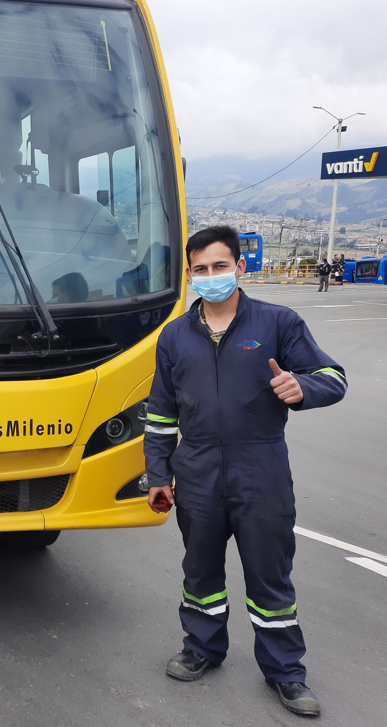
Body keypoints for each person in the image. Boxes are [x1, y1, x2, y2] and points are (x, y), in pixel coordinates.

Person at [144, 225, 346, 717]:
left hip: (261, 468)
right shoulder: (174, 335)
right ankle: (201, 648)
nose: (210, 276)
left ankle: (285, 671)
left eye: (219, 265)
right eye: (200, 269)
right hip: (196, 471)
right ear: (189, 274)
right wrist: (158, 477)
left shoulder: (278, 322)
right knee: (200, 569)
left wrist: (303, 388)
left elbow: (333, 376)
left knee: (270, 574)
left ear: (239, 267)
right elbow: (160, 414)